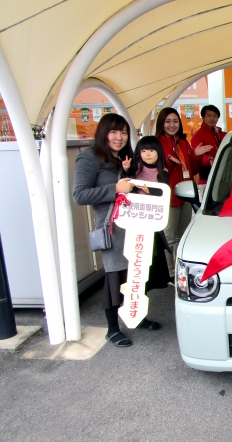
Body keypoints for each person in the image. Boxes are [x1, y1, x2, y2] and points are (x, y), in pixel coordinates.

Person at [73, 114, 161, 348]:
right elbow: (79, 194)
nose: (119, 137)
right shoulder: (89, 157)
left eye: (123, 132)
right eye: (114, 132)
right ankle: (112, 329)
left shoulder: (127, 157)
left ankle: (136, 315)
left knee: (137, 275)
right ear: (103, 133)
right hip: (113, 229)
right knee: (115, 278)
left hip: (137, 225)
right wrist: (115, 188)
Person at [155, 107, 199, 281]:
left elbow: (193, 168)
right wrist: (170, 164)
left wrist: (196, 155)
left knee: (182, 237)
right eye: (168, 121)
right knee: (169, 239)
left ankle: (181, 274)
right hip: (168, 198)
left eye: (175, 121)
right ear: (161, 123)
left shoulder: (183, 142)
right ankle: (171, 274)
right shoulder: (157, 143)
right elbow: (154, 170)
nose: (172, 125)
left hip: (185, 196)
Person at [123, 135, 171, 292]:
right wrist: (125, 170)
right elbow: (124, 184)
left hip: (151, 221)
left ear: (159, 152)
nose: (148, 154)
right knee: (136, 254)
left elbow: (164, 194)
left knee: (152, 255)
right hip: (135, 220)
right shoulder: (135, 169)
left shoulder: (162, 171)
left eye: (151, 150)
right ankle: (136, 287)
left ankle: (150, 285)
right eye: (144, 151)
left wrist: (149, 191)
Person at [190, 105, 232, 195]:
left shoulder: (219, 133)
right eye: (209, 116)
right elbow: (198, 158)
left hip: (224, 179)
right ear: (203, 117)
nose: (212, 118)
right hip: (207, 181)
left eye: (215, 116)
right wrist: (210, 159)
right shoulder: (198, 136)